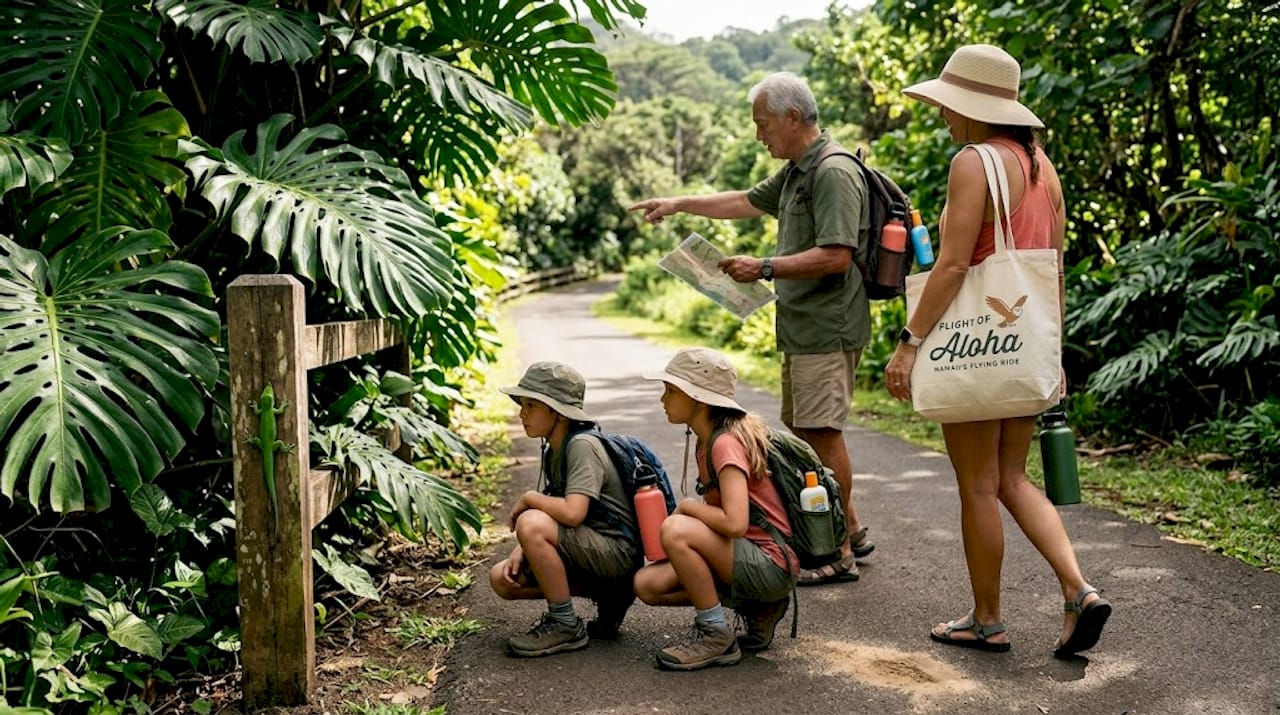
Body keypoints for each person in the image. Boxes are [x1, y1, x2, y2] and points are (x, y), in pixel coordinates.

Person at [885, 44, 1111, 657]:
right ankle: (1078, 589)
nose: (944, 117)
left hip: (974, 345)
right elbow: (1053, 273)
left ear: (978, 109)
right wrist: (1051, 353)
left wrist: (910, 342)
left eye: (951, 107)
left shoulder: (972, 162)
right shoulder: (1044, 168)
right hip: (1025, 342)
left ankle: (986, 620)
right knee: (1013, 476)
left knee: (979, 486)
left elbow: (955, 263)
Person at [629, 72, 874, 585]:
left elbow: (836, 255)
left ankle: (841, 551)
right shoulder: (795, 171)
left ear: (792, 117)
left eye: (763, 125)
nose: (759, 135)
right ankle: (847, 526)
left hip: (828, 326)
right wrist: (677, 203)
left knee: (822, 436)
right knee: (807, 430)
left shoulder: (831, 172)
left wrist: (763, 267)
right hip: (802, 325)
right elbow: (742, 202)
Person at [633, 347, 798, 671]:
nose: (662, 399)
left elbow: (735, 523)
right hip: (749, 558)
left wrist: (689, 509)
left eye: (671, 390)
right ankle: (756, 607)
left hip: (770, 562)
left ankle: (715, 635)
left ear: (699, 399)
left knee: (676, 530)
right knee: (646, 585)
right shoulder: (706, 440)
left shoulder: (725, 444)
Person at [489, 361, 642, 657]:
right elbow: (555, 513)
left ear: (558, 411)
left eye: (532, 405)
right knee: (503, 579)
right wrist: (522, 548)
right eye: (522, 404)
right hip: (589, 549)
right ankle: (607, 597)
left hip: (617, 555)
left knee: (531, 522)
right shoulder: (554, 449)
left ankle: (565, 624)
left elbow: (573, 513)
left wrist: (530, 499)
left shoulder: (582, 445)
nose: (522, 414)